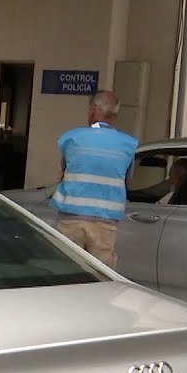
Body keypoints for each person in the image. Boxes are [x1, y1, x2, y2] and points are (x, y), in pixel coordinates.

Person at [50, 90, 138, 267]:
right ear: (115, 113)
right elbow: (127, 181)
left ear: (93, 109)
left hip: (71, 218)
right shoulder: (128, 145)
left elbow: (63, 172)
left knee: (67, 272)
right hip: (105, 223)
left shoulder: (72, 138)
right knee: (100, 277)